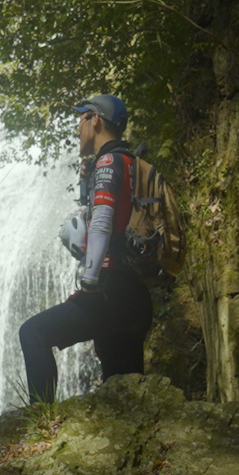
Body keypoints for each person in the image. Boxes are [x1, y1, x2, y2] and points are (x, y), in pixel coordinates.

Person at [20, 94, 153, 403]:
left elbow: (103, 220)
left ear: (96, 120)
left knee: (33, 333)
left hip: (110, 293)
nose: (78, 128)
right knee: (123, 397)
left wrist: (90, 282)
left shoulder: (108, 162)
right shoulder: (132, 162)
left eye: (81, 119)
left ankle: (40, 424)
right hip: (135, 298)